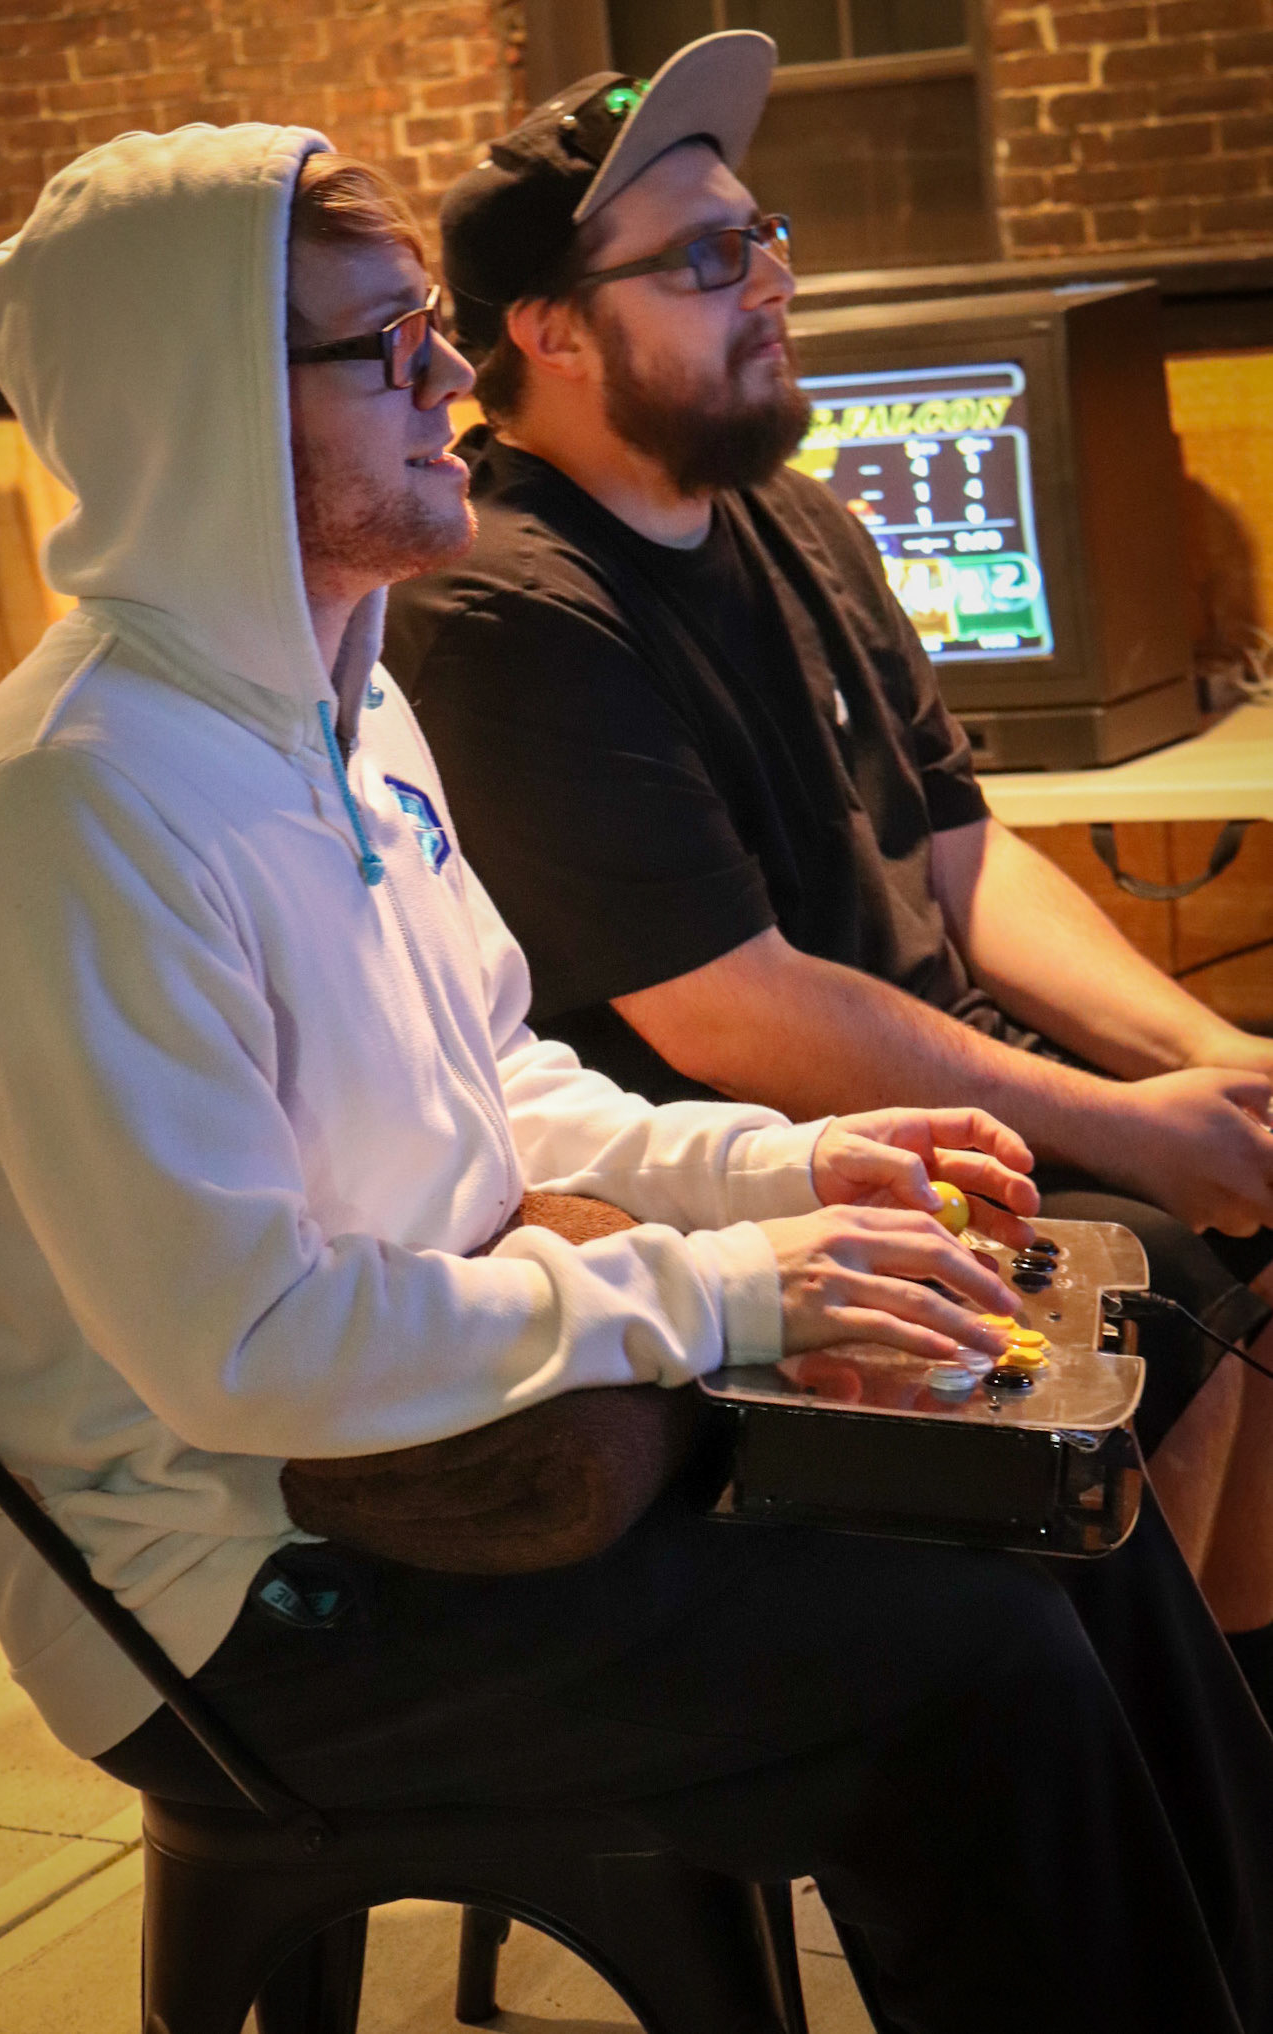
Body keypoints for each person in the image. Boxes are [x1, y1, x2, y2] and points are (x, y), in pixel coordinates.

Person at [0, 117, 1273, 2034]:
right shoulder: (75, 808)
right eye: (385, 344)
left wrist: (788, 1169)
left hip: (425, 1441)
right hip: (236, 1587)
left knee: (1059, 1506)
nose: (452, 381)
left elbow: (507, 1085)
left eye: (428, 328)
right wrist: (726, 1286)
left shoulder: (344, 704)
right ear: (195, 408)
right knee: (976, 1658)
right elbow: (246, 1352)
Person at [384, 30, 1273, 1714]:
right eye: (707, 258)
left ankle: (1226, 1733)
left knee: (1251, 1201)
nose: (773, 279)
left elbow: (964, 846)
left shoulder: (796, 519)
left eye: (763, 233)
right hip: (745, 1163)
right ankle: (1153, 1766)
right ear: (551, 332)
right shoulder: (503, 609)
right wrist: (1122, 1125)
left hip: (935, 1099)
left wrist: (1201, 1059)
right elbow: (732, 1012)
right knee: (1166, 1284)